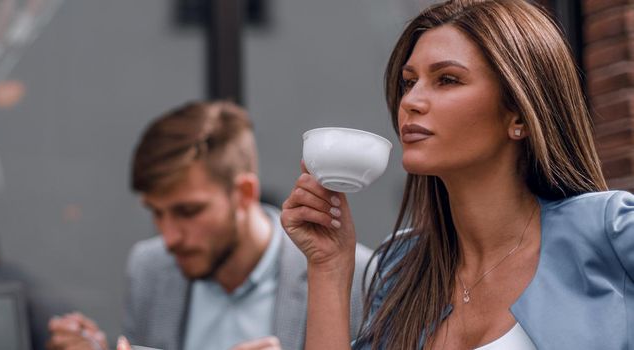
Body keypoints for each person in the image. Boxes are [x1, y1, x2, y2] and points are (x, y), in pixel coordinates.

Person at [280, 0, 633, 349]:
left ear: (519, 116)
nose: (411, 101)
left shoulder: (610, 234)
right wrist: (328, 267)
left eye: (447, 80)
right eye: (409, 82)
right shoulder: (402, 269)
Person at [48, 101, 374, 350]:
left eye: (188, 211)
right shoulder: (149, 268)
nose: (169, 236)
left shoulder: (356, 276)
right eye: (156, 213)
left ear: (244, 193)